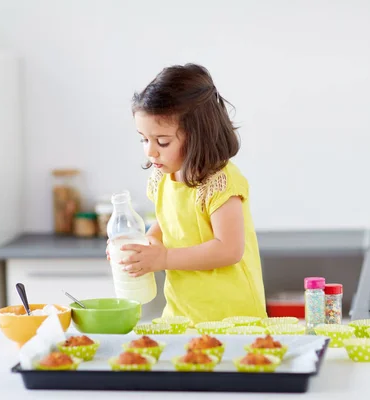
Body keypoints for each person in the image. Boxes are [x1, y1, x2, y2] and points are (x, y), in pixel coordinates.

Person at [112, 63, 267, 325]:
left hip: (232, 318)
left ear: (198, 136)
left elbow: (229, 249)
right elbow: (167, 222)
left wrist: (164, 258)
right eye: (143, 139)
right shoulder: (163, 177)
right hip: (183, 314)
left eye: (162, 141)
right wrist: (145, 246)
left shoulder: (221, 182)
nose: (150, 151)